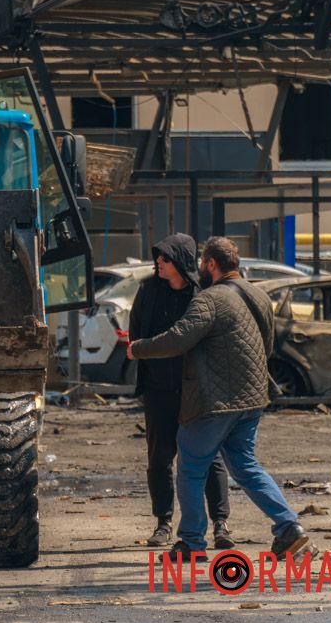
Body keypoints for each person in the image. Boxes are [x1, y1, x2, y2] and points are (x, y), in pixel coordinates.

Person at [128, 236, 308, 558]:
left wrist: (139, 348)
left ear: (211, 264)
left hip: (216, 400)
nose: (199, 270)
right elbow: (266, 345)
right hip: (252, 399)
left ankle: (192, 542)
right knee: (245, 466)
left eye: (203, 264)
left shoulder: (209, 299)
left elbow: (180, 338)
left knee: (191, 465)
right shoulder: (259, 295)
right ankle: (289, 527)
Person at [130, 234, 232, 549]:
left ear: (181, 262)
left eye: (165, 258)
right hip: (159, 390)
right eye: (157, 257)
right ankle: (164, 522)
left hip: (197, 391)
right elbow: (137, 337)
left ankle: (220, 524)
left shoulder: (203, 295)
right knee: (160, 457)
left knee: (209, 455)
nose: (158, 262)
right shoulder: (148, 292)